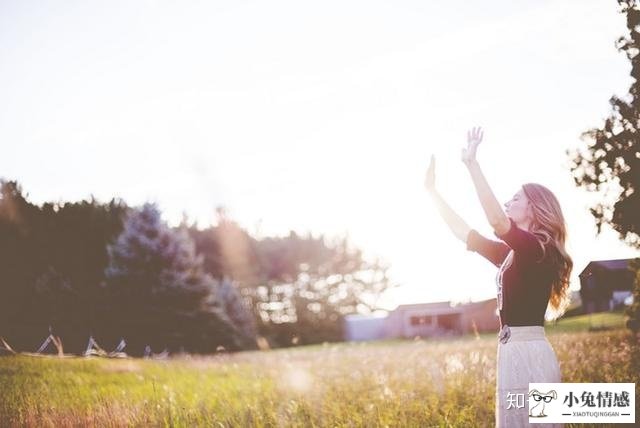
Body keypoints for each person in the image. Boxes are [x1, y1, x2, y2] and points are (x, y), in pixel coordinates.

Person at [424, 126, 573, 427]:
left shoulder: (538, 250)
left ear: (535, 208)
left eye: (515, 199)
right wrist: (432, 193)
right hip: (510, 353)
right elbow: (464, 232)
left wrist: (472, 165)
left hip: (530, 356)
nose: (508, 203)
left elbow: (496, 220)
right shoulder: (514, 254)